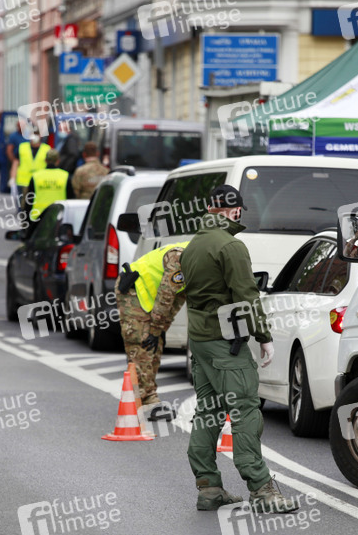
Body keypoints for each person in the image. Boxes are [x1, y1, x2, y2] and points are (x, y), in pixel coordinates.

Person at [180, 184, 298, 514]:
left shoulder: (192, 246)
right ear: (234, 210)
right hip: (226, 345)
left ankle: (209, 488)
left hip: (200, 342)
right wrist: (263, 336)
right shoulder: (231, 246)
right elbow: (247, 296)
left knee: (209, 411)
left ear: (209, 208)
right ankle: (262, 489)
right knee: (245, 410)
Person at [115, 241, 189, 420]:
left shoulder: (200, 261)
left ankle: (145, 398)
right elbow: (166, 295)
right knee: (141, 344)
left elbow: (179, 297)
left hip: (149, 297)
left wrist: (161, 327)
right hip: (134, 291)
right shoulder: (180, 258)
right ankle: (144, 401)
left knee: (155, 344)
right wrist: (156, 328)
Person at [10, 132, 51, 216]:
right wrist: (12, 178)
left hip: (39, 181)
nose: (35, 137)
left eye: (37, 134)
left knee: (34, 202)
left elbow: (49, 165)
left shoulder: (47, 149)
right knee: (22, 204)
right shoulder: (22, 147)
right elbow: (15, 163)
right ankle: (23, 216)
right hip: (23, 181)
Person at [24, 148, 69, 224]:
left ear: (45, 160)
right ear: (58, 161)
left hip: (37, 218)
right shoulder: (65, 176)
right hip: (59, 217)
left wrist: (26, 221)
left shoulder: (36, 176)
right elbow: (70, 199)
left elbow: (29, 200)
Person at [3, 123, 29, 194]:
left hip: (27, 160)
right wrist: (13, 160)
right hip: (17, 158)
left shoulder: (28, 135)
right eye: (19, 126)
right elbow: (9, 150)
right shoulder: (13, 136)